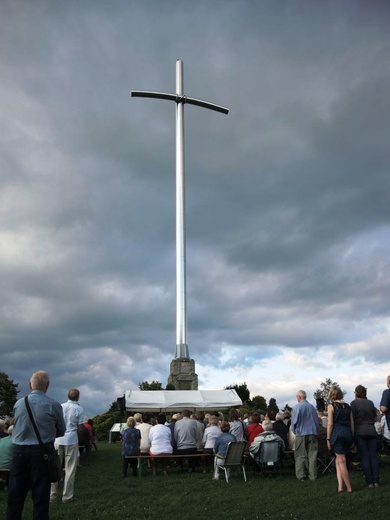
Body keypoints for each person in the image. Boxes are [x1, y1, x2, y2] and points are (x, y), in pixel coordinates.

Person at [6, 371, 66, 520]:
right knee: (40, 497)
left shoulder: (19, 403)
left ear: (29, 384)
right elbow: (62, 431)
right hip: (42, 452)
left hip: (19, 452)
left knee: (15, 496)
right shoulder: (54, 405)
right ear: (47, 385)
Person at [50, 388, 85, 503]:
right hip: (71, 439)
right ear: (78, 397)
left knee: (55, 468)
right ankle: (67, 496)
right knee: (70, 469)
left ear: (67, 396)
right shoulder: (79, 409)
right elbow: (80, 428)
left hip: (58, 439)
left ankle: (52, 495)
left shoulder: (60, 406)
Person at [350, 384, 379, 488]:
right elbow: (376, 418)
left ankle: (369, 481)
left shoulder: (353, 404)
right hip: (371, 431)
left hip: (359, 432)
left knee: (365, 457)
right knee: (373, 456)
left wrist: (352, 434)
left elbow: (352, 421)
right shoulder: (371, 403)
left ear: (356, 393)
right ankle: (376, 481)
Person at [327, 386, 353, 492]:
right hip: (347, 432)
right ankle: (340, 486)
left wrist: (328, 438)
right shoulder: (347, 406)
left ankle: (349, 487)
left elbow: (330, 424)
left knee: (341, 461)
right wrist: (352, 435)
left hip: (337, 433)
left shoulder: (331, 406)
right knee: (338, 460)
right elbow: (352, 422)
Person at [291, 389, 319, 481]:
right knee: (312, 455)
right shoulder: (312, 407)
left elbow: (294, 422)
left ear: (299, 397)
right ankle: (313, 475)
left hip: (301, 433)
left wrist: (295, 431)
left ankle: (301, 475)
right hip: (312, 433)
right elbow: (316, 421)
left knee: (300, 455)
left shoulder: (297, 407)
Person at [174, 409, 199, 473]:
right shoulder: (193, 422)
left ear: (182, 415)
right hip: (192, 447)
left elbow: (175, 436)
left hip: (181, 448)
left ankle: (180, 465)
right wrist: (194, 442)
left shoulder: (177, 423)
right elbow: (197, 436)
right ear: (190, 415)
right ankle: (191, 467)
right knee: (192, 453)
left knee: (179, 453)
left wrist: (178, 443)